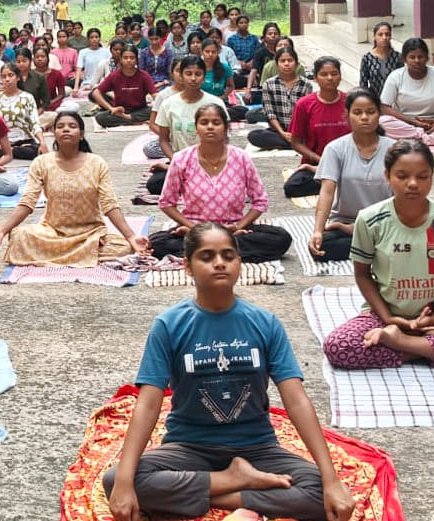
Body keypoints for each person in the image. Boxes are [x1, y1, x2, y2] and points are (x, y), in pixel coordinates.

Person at [104, 222, 355, 521]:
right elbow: (147, 403)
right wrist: (123, 483)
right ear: (187, 266)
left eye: (228, 255)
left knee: (319, 491)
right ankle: (236, 481)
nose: (219, 263)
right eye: (207, 256)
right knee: (117, 479)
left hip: (257, 447)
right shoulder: (169, 325)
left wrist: (330, 479)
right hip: (189, 448)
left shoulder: (265, 323)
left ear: (239, 263)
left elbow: (296, 399)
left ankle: (219, 491)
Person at [323, 139, 434, 371]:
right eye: (402, 176)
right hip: (384, 315)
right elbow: (362, 275)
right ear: (387, 176)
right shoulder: (370, 219)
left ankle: (404, 346)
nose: (413, 184)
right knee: (338, 347)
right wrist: (389, 319)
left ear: (432, 177)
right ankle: (430, 349)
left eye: (422, 176)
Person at [0, 111, 150, 266]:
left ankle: (67, 253)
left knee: (122, 247)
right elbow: (27, 203)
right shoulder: (41, 163)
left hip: (90, 234)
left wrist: (131, 236)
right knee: (19, 236)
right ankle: (80, 254)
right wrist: (1, 231)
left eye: (72, 126)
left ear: (82, 134)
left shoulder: (97, 163)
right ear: (54, 133)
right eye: (60, 126)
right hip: (52, 232)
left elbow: (109, 204)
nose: (66, 129)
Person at [150, 104, 291, 262]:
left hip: (232, 228)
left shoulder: (241, 157)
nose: (210, 127)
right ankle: (224, 249)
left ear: (225, 127)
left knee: (280, 238)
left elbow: (260, 201)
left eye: (216, 123)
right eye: (204, 123)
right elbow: (167, 203)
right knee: (156, 244)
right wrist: (192, 228)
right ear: (196, 127)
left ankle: (205, 250)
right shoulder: (181, 159)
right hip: (195, 228)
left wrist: (238, 227)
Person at [309, 88, 394, 262]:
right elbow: (326, 192)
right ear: (347, 116)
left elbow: (402, 197)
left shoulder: (394, 150)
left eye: (370, 112)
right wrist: (318, 231)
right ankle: (371, 247)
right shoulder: (335, 148)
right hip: (343, 222)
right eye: (357, 112)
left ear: (379, 114)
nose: (364, 117)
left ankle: (365, 241)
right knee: (322, 247)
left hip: (384, 223)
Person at [147, 56, 229, 195]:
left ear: (204, 77)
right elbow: (164, 139)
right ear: (181, 75)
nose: (193, 78)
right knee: (154, 184)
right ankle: (194, 181)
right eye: (188, 73)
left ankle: (194, 181)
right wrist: (175, 162)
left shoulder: (215, 103)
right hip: (180, 162)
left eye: (198, 74)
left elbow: (223, 139)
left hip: (210, 162)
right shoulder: (169, 104)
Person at [285, 57, 351, 198]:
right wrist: (322, 161)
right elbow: (296, 142)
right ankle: (337, 182)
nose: (329, 78)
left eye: (334, 74)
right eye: (323, 74)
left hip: (349, 163)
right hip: (316, 165)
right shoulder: (304, 104)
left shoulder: (350, 102)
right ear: (315, 78)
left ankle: (338, 181)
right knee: (292, 187)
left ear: (340, 76)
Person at [378, 37, 434, 145]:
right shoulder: (396, 77)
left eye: (421, 57)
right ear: (404, 59)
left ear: (427, 57)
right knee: (382, 123)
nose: (417, 61)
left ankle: (418, 137)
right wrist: (411, 122)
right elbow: (384, 107)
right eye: (412, 57)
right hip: (405, 123)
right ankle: (423, 136)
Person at [246, 47, 313, 150]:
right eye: (282, 61)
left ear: (296, 63)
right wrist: (282, 133)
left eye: (290, 60)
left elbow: (306, 114)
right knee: (254, 135)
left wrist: (296, 134)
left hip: (300, 131)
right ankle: (294, 144)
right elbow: (270, 113)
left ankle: (293, 143)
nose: (286, 64)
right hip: (278, 131)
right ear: (277, 64)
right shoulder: (269, 84)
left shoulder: (306, 85)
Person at [0, 62, 48, 160]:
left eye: (10, 75)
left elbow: (34, 123)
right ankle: (11, 150)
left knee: (33, 150)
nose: (7, 79)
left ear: (17, 77)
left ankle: (10, 151)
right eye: (4, 77)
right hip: (3, 142)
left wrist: (42, 142)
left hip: (24, 141)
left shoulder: (27, 97)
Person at [91, 44, 158, 128]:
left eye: (132, 58)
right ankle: (135, 121)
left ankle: (129, 119)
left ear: (136, 60)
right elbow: (96, 93)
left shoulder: (144, 75)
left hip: (141, 110)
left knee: (155, 111)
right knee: (100, 117)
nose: (129, 60)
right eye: (125, 58)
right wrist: (111, 108)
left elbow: (155, 95)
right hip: (120, 111)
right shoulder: (114, 76)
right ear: (121, 59)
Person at [359, 22, 402, 98]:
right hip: (374, 100)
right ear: (374, 37)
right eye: (380, 34)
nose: (384, 37)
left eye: (387, 34)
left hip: (394, 99)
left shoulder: (397, 57)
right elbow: (363, 84)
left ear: (390, 36)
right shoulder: (367, 58)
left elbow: (402, 81)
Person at [248, 22, 280, 89]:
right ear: (264, 37)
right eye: (270, 34)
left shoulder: (284, 51)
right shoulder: (260, 52)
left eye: (275, 34)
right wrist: (248, 89)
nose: (273, 36)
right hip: (265, 85)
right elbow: (254, 70)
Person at [75, 28, 107, 92]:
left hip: (103, 85)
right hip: (87, 84)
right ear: (88, 39)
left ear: (99, 38)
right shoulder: (83, 52)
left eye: (96, 37)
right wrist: (76, 88)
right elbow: (78, 70)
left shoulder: (107, 52)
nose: (94, 39)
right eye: (91, 37)